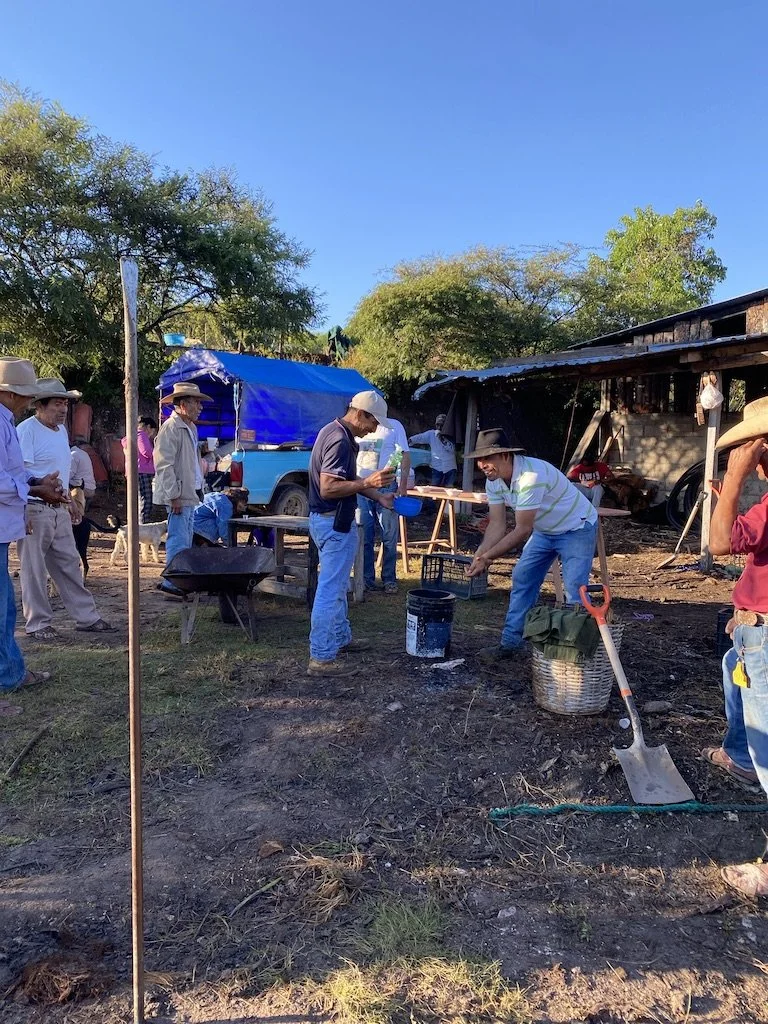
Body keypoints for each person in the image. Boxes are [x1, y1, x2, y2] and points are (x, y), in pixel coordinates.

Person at [465, 428, 597, 664]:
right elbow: (497, 524)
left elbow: (522, 529)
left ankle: (576, 653)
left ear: (505, 455)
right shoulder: (494, 481)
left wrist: (488, 558)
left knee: (575, 588)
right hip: (545, 530)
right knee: (523, 577)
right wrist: (480, 554)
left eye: (487, 458)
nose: (482, 465)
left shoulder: (531, 476)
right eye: (479, 460)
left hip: (576, 527)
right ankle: (509, 644)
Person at [706, 397, 768, 896]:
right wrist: (746, 611)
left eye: (755, 450)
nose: (756, 462)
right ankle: (739, 759)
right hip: (754, 627)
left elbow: (720, 542)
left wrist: (733, 481)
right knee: (733, 668)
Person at [16, 378, 114, 641]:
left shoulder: (60, 431)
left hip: (58, 507)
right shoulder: (26, 431)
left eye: (65, 404)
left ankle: (87, 617)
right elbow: (19, 473)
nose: (63, 410)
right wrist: (22, 509)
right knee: (34, 569)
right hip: (35, 507)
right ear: (40, 405)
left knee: (69, 563)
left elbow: (62, 470)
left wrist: (70, 501)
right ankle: (37, 623)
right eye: (57, 404)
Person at [307, 391, 396, 677]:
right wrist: (369, 482)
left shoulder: (336, 431)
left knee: (337, 585)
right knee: (330, 590)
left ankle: (340, 638)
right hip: (333, 523)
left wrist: (377, 496)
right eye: (373, 422)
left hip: (331, 521)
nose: (373, 429)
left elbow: (347, 479)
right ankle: (321, 658)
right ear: (360, 413)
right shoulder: (339, 439)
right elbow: (329, 487)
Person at [0, 359, 67, 705]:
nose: (30, 401)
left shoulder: (6, 421)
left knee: (5, 606)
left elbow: (12, 471)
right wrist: (35, 490)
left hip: (5, 525)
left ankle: (10, 672)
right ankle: (8, 676)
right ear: (12, 394)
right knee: (3, 606)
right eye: (28, 395)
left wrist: (36, 481)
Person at [153, 382, 213, 597]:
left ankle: (180, 581)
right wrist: (173, 495)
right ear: (183, 405)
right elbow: (163, 464)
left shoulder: (190, 427)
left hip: (190, 492)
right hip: (179, 494)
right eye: (196, 402)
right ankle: (172, 582)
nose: (200, 407)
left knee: (185, 539)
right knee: (178, 538)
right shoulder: (171, 428)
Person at [356, 416, 411, 594]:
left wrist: (402, 485)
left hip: (387, 486)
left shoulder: (394, 426)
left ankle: (389, 579)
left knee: (389, 535)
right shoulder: (359, 428)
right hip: (362, 486)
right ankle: (366, 579)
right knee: (364, 535)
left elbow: (404, 454)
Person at [122, 416, 157, 523]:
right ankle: (143, 525)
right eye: (153, 431)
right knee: (146, 500)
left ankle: (137, 525)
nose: (152, 434)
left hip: (135, 471)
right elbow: (146, 452)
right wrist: (157, 453)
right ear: (148, 427)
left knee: (137, 500)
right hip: (143, 471)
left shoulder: (131, 436)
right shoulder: (141, 435)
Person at [409, 414, 458, 486]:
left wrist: (441, 438)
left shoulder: (450, 435)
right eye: (438, 425)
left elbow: (452, 449)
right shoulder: (431, 434)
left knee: (449, 490)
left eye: (442, 425)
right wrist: (410, 440)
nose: (439, 427)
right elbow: (420, 437)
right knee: (435, 489)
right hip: (437, 468)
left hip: (450, 468)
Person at [69, 440, 97, 518]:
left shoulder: (73, 455)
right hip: (91, 487)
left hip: (83, 488)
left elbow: (69, 475)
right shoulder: (82, 453)